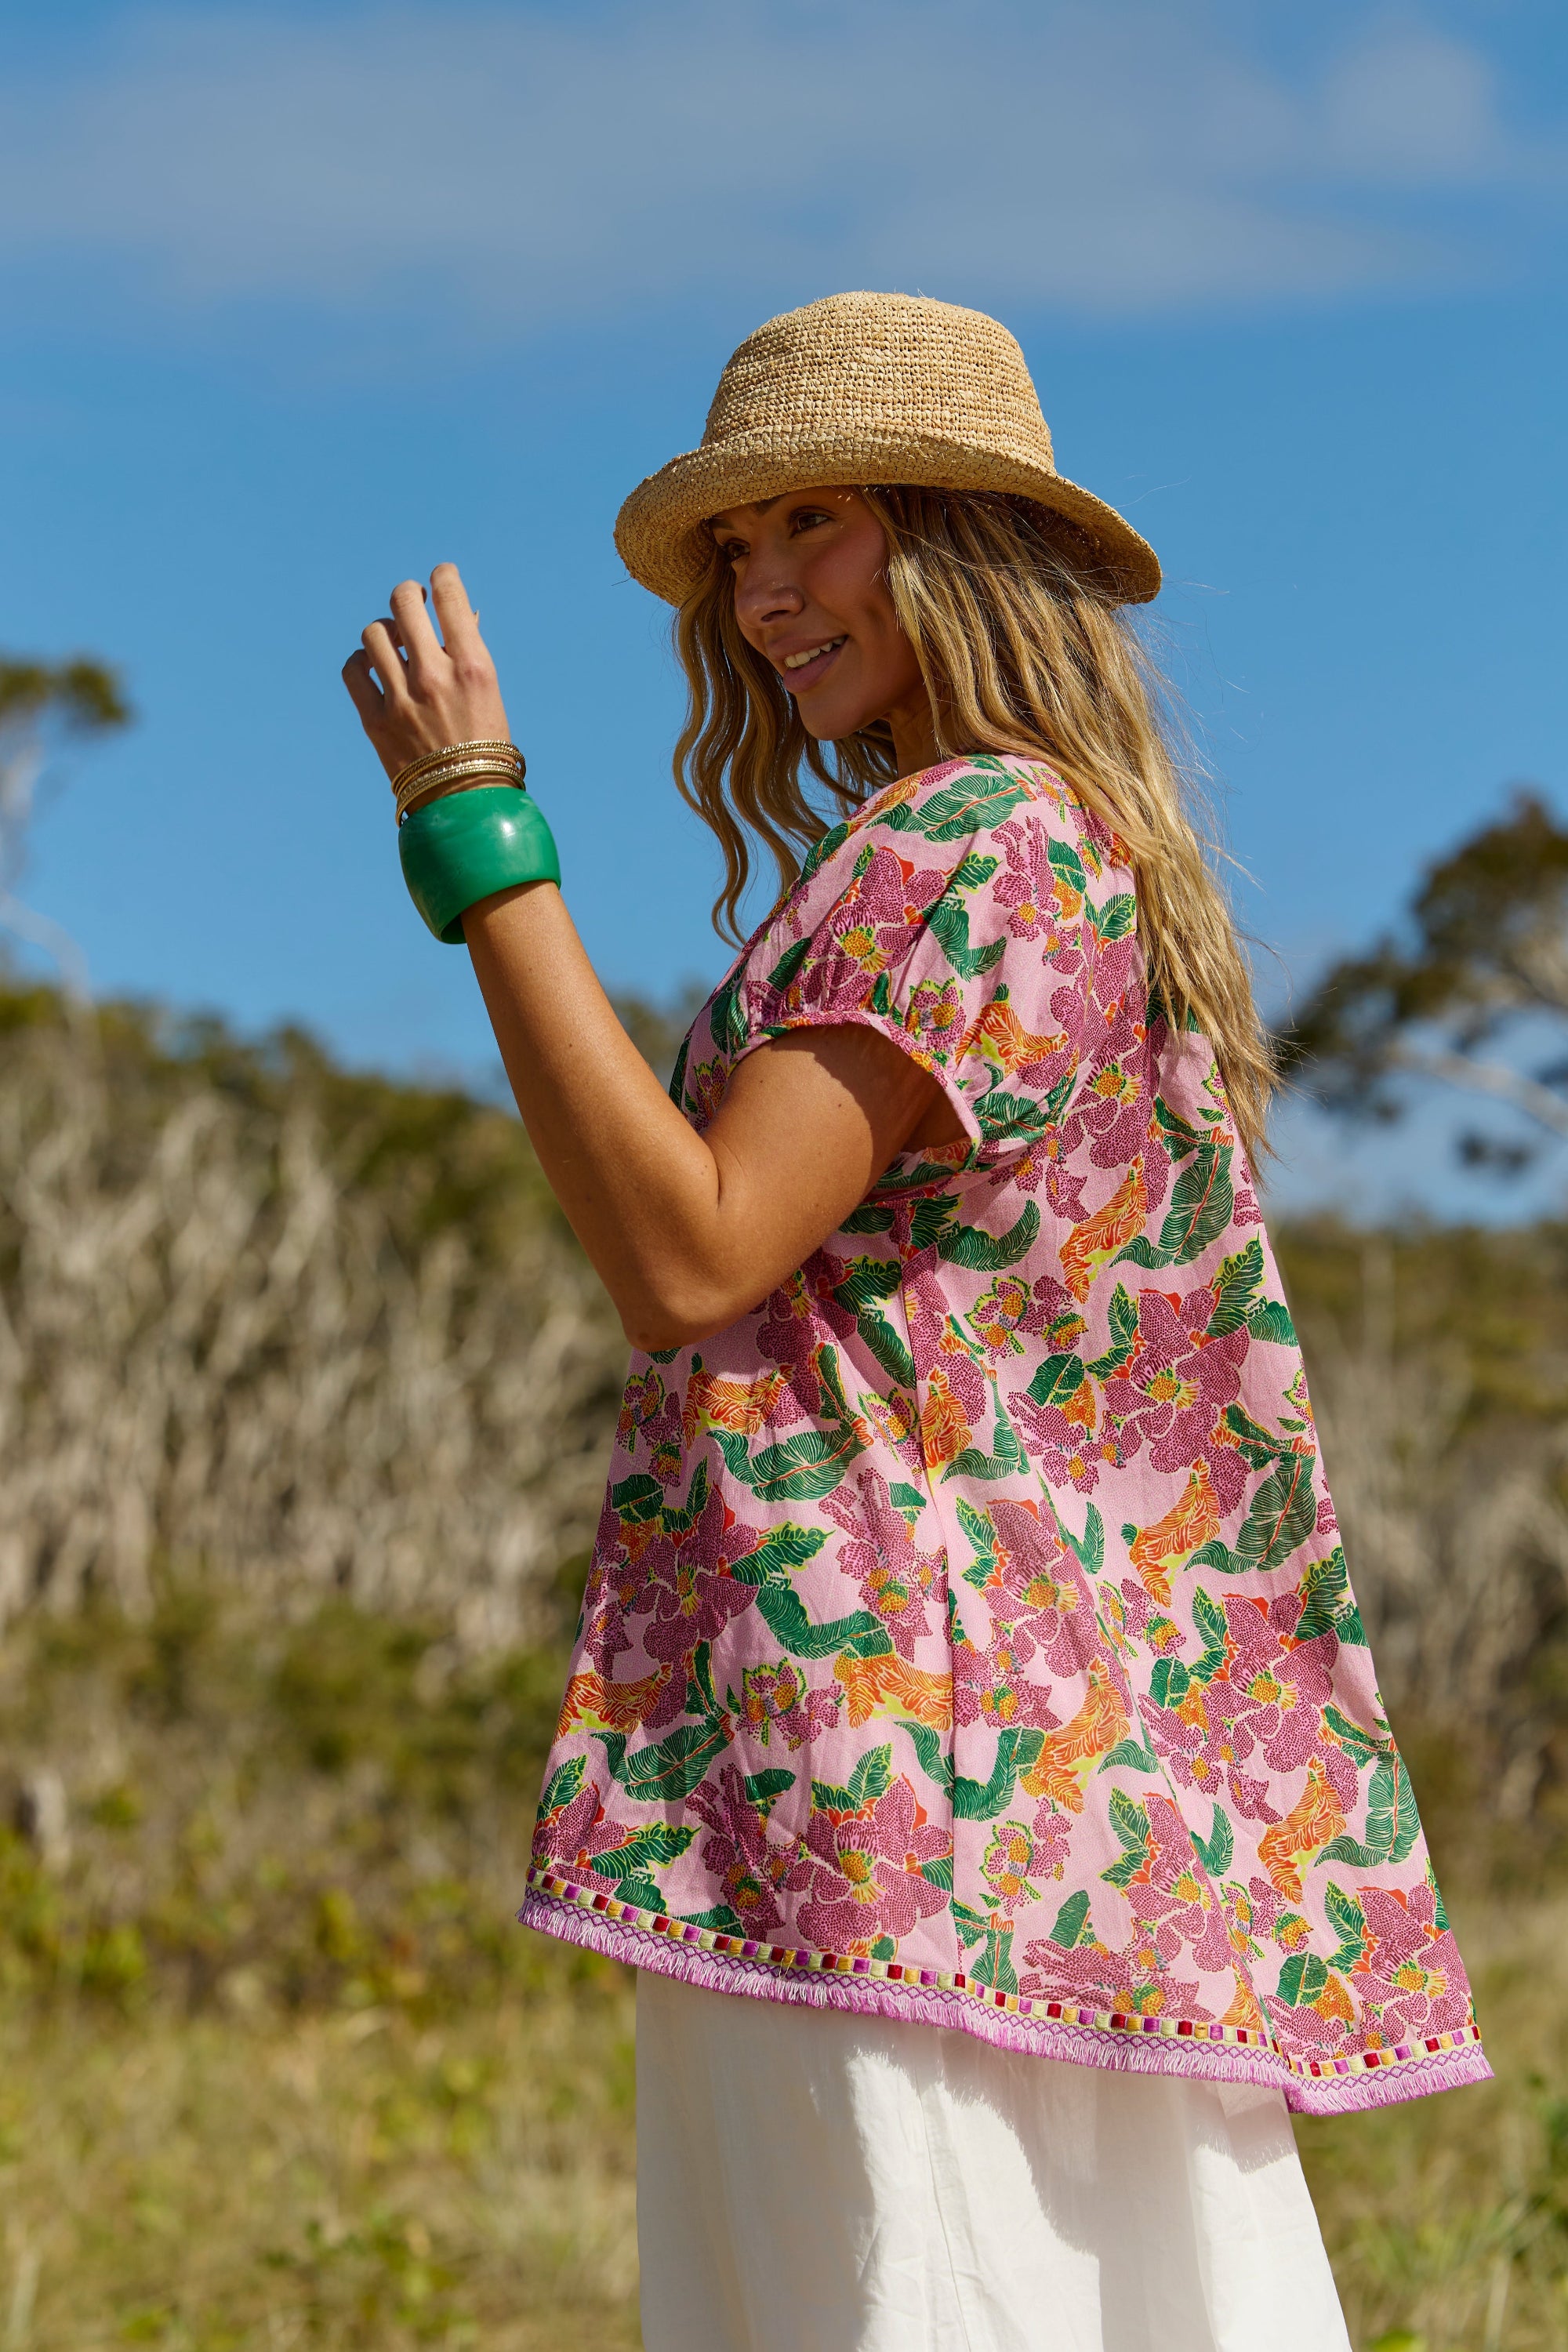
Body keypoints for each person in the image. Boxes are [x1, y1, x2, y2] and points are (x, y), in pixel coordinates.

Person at [344, 292, 1488, 2352]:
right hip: (1065, 1785)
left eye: (822, 529)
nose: (769, 596)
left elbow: (691, 1252)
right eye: (740, 554)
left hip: (884, 1755)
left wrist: (474, 832)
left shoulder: (958, 845)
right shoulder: (1080, 843)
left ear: (958, 543)